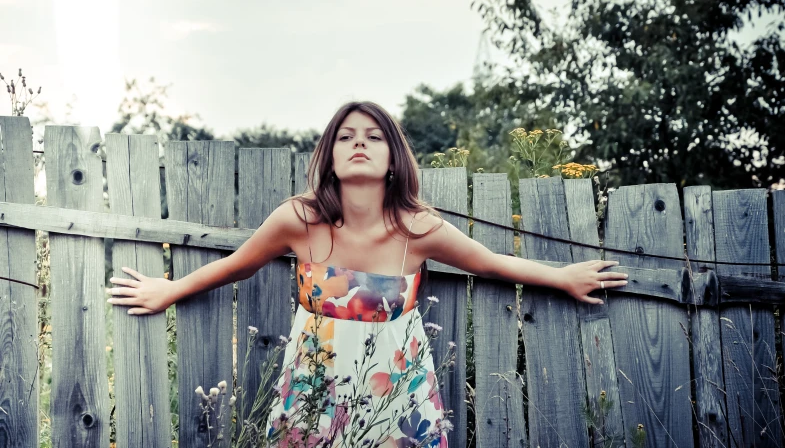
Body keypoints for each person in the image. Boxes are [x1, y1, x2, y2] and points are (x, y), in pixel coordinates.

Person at [106, 101, 627, 446]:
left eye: (374, 137)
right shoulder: (298, 219)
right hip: (314, 388)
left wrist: (562, 277)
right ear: (330, 158)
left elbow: (492, 263)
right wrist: (169, 289)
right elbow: (236, 265)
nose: (360, 143)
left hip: (397, 391)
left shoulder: (419, 230)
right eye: (347, 137)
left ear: (393, 159)